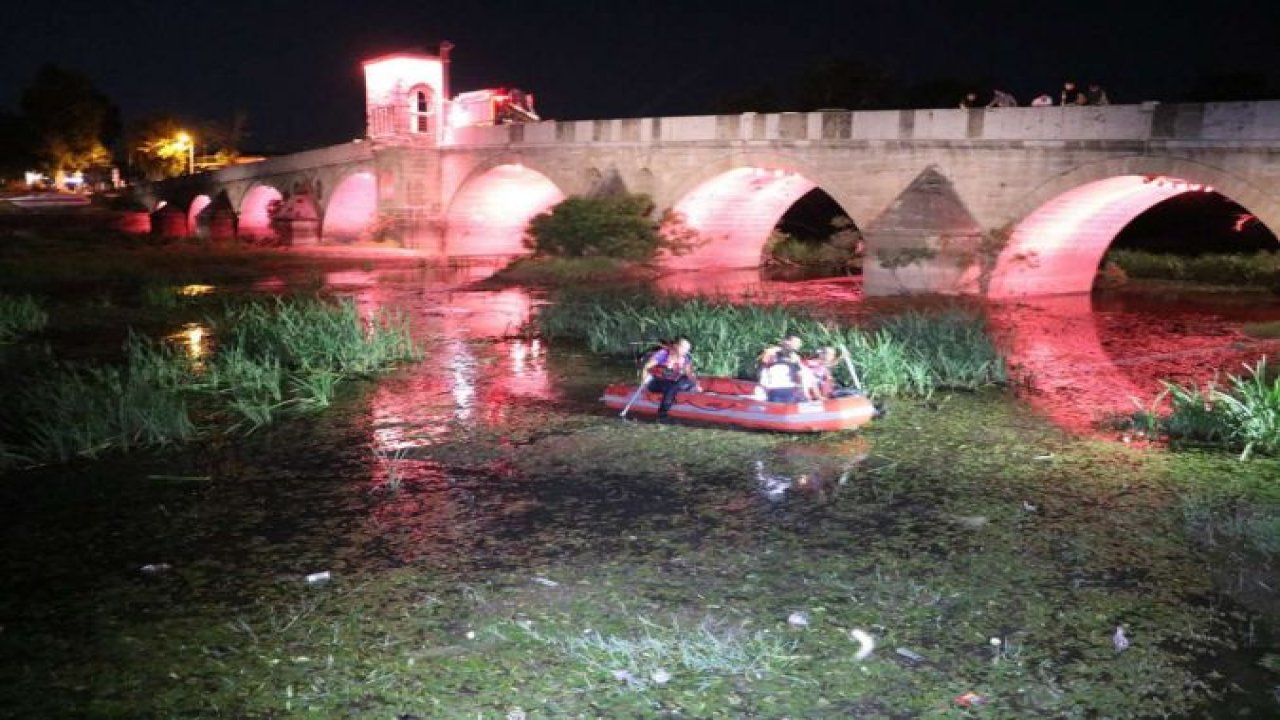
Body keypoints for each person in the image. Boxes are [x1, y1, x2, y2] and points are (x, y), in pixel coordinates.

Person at [641, 337, 699, 422]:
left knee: (685, 382)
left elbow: (689, 373)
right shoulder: (663, 354)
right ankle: (662, 414)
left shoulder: (685, 358)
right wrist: (644, 380)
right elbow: (646, 367)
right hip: (655, 381)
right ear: (675, 346)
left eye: (687, 349)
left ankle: (671, 395)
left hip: (671, 381)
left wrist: (696, 383)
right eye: (683, 347)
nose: (686, 351)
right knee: (671, 387)